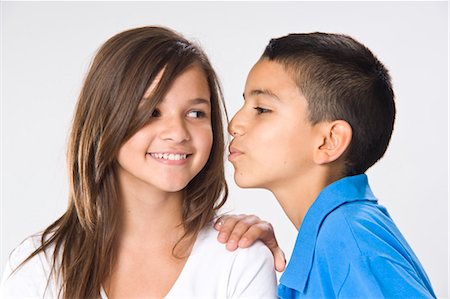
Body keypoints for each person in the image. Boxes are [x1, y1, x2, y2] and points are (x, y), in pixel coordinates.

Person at [0, 26, 277, 298]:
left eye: (195, 113)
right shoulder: (38, 267)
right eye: (152, 111)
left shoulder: (240, 259)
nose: (178, 133)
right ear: (105, 121)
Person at [218, 32, 436, 298]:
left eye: (262, 109)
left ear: (329, 141)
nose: (234, 124)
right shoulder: (338, 236)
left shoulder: (350, 242)